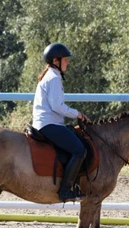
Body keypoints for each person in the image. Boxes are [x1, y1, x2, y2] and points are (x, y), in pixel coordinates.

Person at [32, 42, 89, 202]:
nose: (68, 62)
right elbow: (57, 106)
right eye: (65, 59)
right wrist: (77, 113)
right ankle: (65, 190)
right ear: (56, 61)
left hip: (46, 122)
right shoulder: (54, 78)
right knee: (79, 150)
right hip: (48, 124)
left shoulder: (49, 76)